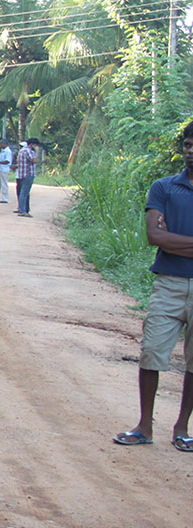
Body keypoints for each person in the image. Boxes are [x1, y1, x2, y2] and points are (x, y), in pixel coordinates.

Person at [113, 121, 193, 451]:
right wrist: (167, 240)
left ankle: (182, 428)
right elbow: (154, 237)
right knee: (151, 352)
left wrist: (174, 240)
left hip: (175, 271)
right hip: (169, 283)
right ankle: (144, 425)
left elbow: (165, 238)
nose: (191, 150)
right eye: (188, 144)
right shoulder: (163, 187)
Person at [13, 138, 40, 217]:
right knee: (24, 193)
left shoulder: (22, 151)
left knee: (24, 193)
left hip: (22, 174)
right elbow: (34, 160)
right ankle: (22, 210)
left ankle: (24, 209)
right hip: (28, 174)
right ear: (32, 144)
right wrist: (38, 151)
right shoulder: (27, 151)